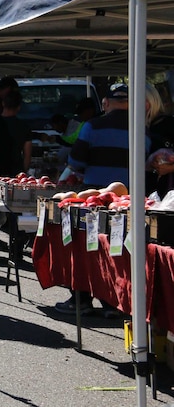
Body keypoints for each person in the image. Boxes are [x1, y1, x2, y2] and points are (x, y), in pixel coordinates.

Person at [56, 83, 139, 316]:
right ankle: (116, 302)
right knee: (121, 250)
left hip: (94, 198)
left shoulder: (92, 126)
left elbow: (76, 161)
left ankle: (81, 299)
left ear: (106, 103)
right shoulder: (140, 128)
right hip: (128, 199)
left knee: (88, 248)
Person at [0, 89, 32, 177]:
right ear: (19, 107)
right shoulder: (24, 127)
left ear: (3, 103)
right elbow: (27, 155)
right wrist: (23, 173)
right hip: (16, 174)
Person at [145, 83, 174, 198]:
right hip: (147, 193)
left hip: (167, 194)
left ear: (147, 104)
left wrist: (170, 168)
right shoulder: (135, 128)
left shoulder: (169, 124)